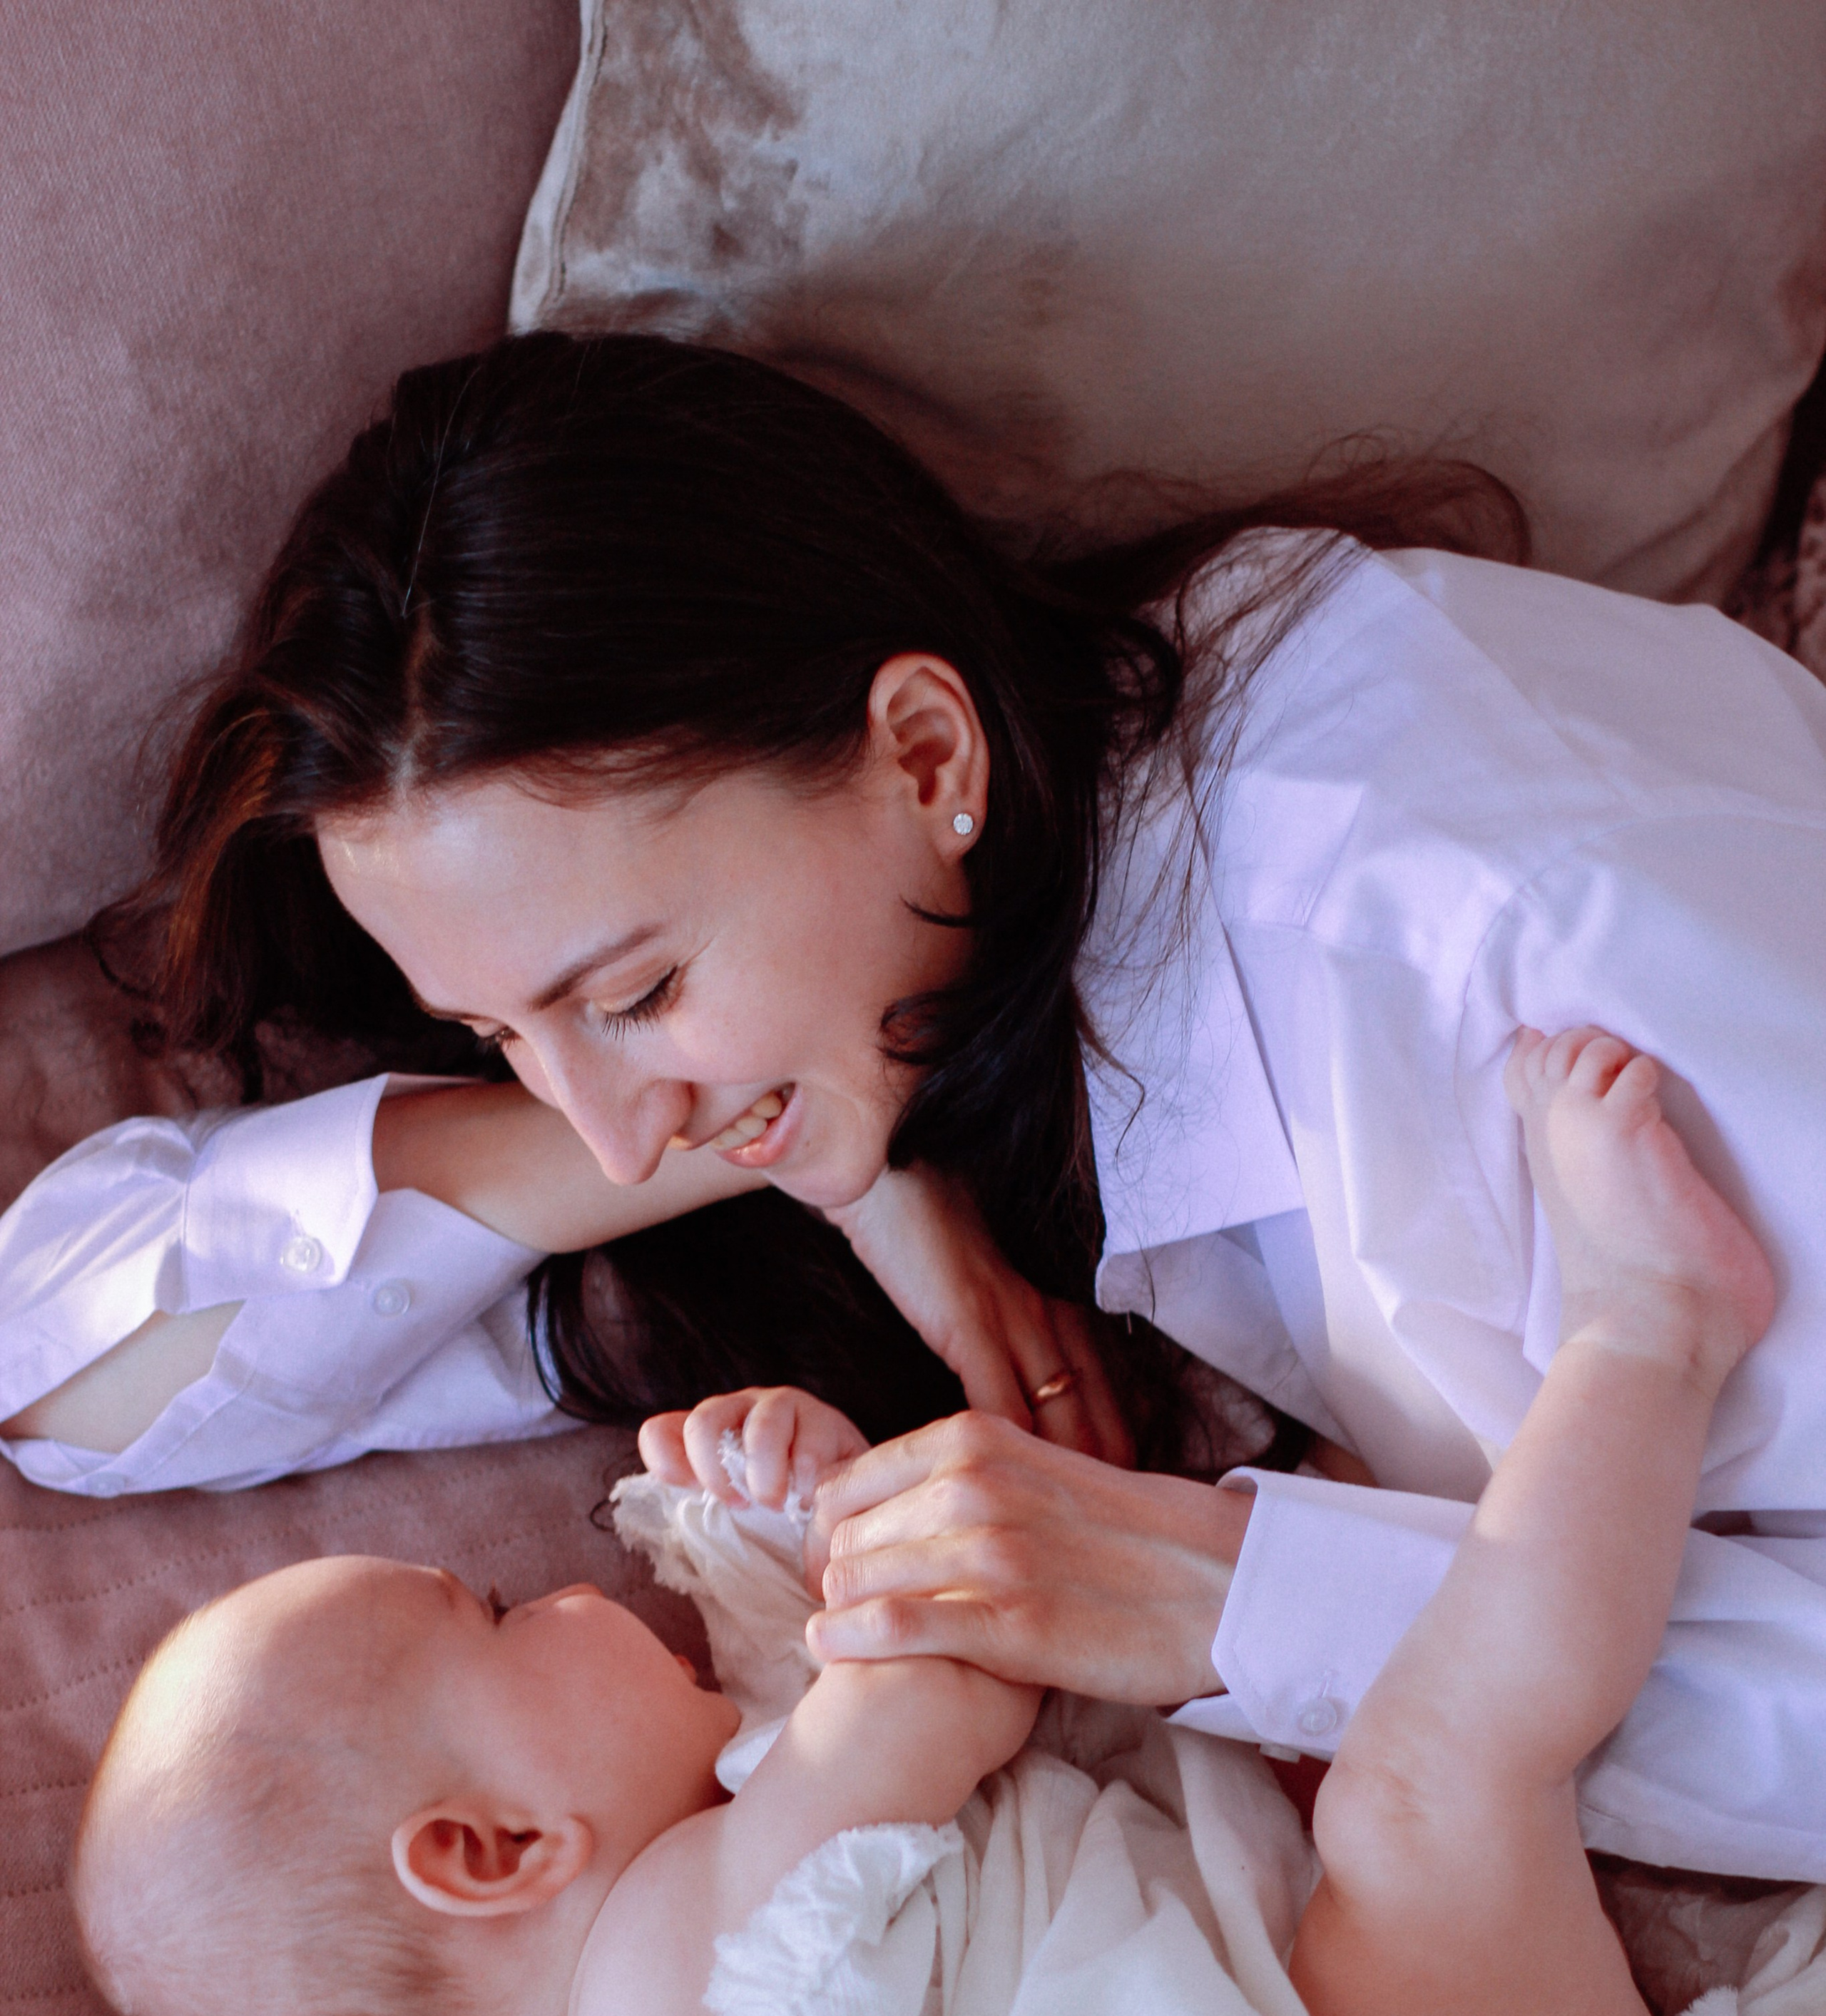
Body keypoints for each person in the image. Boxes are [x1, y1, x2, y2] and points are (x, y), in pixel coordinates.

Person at [9, 330, 1826, 1877]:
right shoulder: (922, 989)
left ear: (924, 756)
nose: (613, 1129)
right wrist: (830, 1158)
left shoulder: (1497, 959)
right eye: (495, 1035)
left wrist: (1231, 1600)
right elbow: (62, 1378)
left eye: (634, 991)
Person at [71, 1026, 1749, 2016]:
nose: (579, 1590)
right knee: (1426, 1780)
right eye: (502, 1619)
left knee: (1384, 1709)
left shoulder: (697, 1896)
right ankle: (1652, 1332)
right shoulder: (654, 1998)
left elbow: (830, 1733)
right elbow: (936, 1696)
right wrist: (838, 1524)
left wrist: (794, 1495)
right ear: (493, 1850)